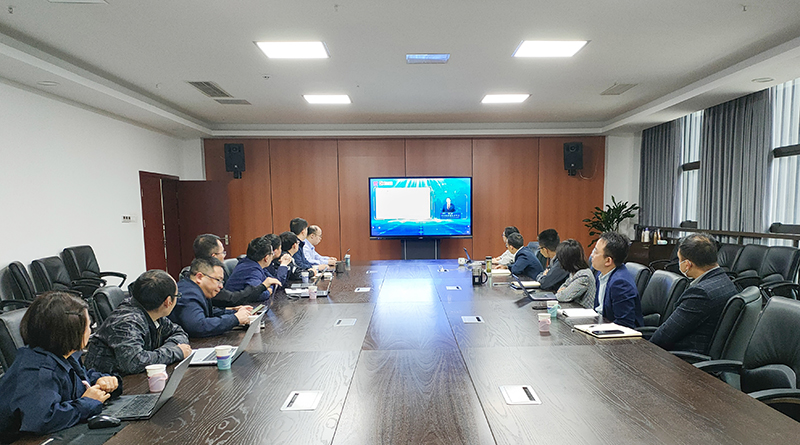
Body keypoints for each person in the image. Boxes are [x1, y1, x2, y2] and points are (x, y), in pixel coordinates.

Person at [0, 292, 121, 441]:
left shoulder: (63, 354)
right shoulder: (38, 370)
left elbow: (79, 381)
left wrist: (103, 381)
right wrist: (87, 403)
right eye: (88, 326)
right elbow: (43, 419)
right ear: (71, 332)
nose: (90, 331)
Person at [84, 270, 192, 375]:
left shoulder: (152, 313)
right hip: (107, 382)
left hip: (134, 377)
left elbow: (179, 332)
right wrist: (174, 352)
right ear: (168, 302)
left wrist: (168, 349)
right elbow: (134, 362)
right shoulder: (127, 322)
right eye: (177, 295)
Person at [651, 234, 738, 354]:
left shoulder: (701, 293)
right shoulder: (725, 281)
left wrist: (645, 349)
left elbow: (666, 334)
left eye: (679, 259)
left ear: (687, 264)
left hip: (684, 357)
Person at [170, 257, 252, 338]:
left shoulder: (193, 288)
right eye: (218, 280)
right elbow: (198, 326)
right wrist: (235, 319)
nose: (221, 286)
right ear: (199, 277)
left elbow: (207, 312)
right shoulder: (188, 294)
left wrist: (235, 312)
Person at [190, 234, 271, 307]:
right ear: (214, 257)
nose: (224, 256)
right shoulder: (207, 280)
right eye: (223, 252)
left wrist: (230, 310)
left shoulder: (200, 271)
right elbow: (231, 299)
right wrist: (262, 287)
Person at [590, 232, 643, 328]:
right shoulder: (601, 273)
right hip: (600, 325)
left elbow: (624, 324)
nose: (592, 255)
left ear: (608, 261)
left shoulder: (620, 284)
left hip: (615, 333)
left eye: (596, 252)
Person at [224, 235, 283, 304]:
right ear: (266, 258)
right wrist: (268, 291)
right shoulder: (252, 270)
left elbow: (271, 280)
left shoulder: (249, 262)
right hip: (234, 306)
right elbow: (258, 295)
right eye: (272, 254)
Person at [555, 239, 596, 309]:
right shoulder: (574, 273)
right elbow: (563, 287)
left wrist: (563, 291)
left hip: (585, 314)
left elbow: (562, 296)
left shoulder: (584, 275)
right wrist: (563, 290)